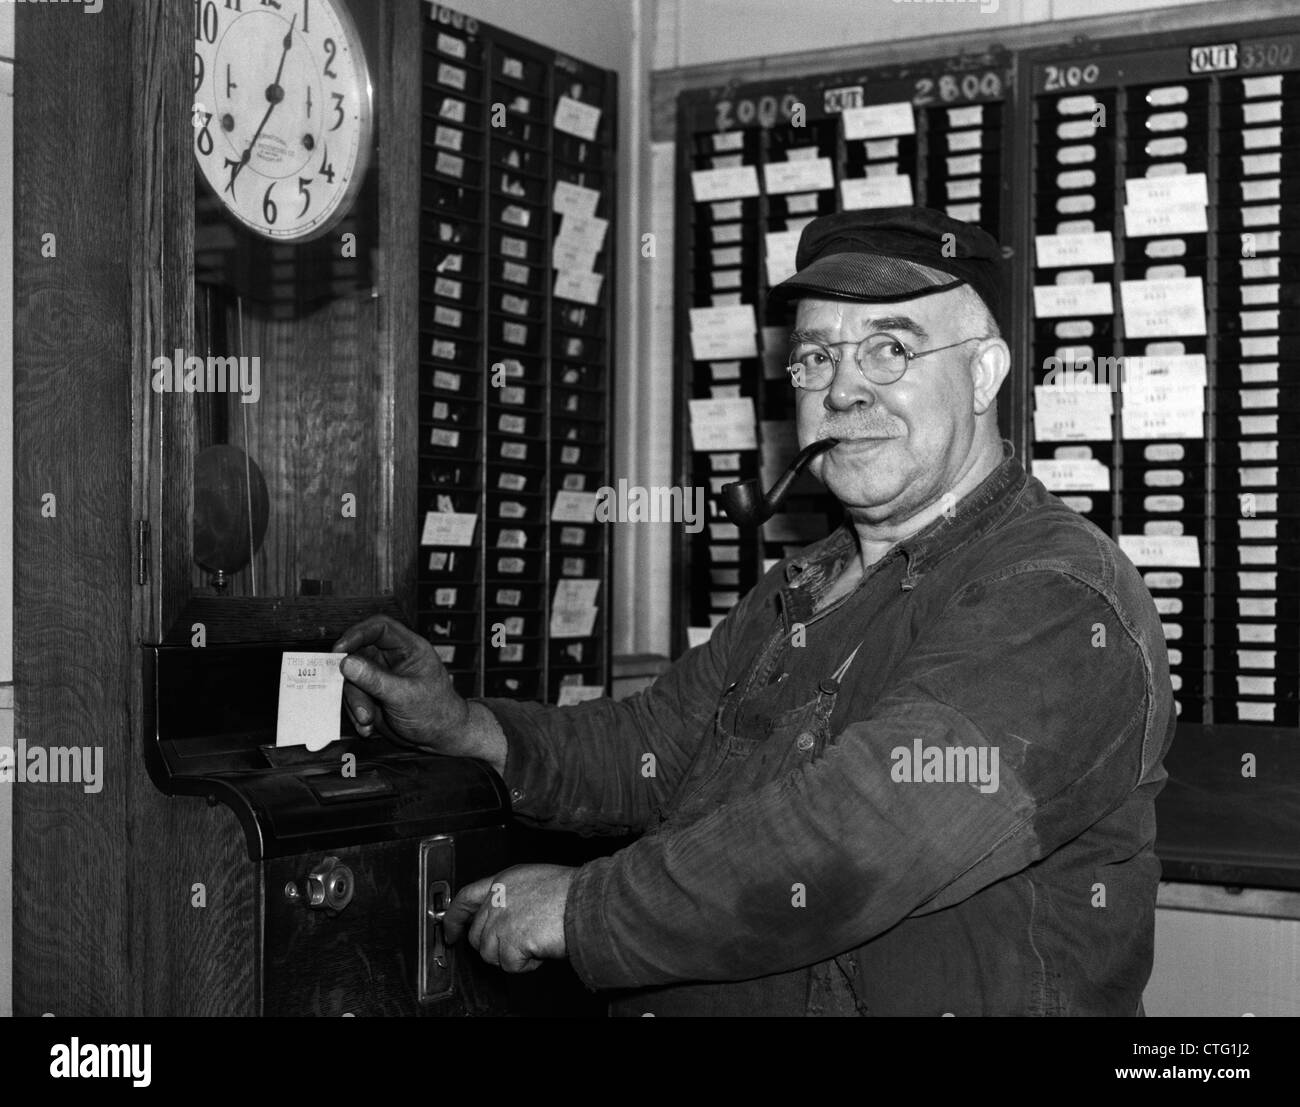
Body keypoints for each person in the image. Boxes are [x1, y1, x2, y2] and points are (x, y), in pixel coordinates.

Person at [334, 206, 1176, 1016]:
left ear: (985, 372)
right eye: (816, 358)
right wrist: (466, 728)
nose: (842, 392)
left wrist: (582, 910)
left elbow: (868, 830)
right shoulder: (804, 584)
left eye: (890, 349)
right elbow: (650, 747)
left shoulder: (1058, 597)